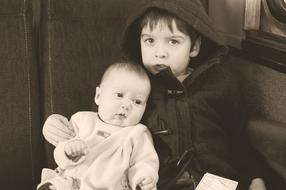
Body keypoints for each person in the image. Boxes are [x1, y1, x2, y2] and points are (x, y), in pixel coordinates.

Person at [42, 0, 267, 189]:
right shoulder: (134, 86)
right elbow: (99, 124)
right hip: (158, 182)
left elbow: (239, 139)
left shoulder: (220, 83)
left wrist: (255, 178)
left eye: (173, 41)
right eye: (149, 41)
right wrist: (56, 125)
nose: (159, 53)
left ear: (194, 47)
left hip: (216, 180)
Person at [38, 61, 159, 190]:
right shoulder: (81, 120)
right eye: (119, 95)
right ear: (98, 96)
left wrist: (145, 177)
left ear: (145, 108)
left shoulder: (137, 133)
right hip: (72, 182)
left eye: (137, 101)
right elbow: (60, 153)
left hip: (111, 186)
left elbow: (145, 161)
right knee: (56, 185)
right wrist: (68, 150)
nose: (127, 105)